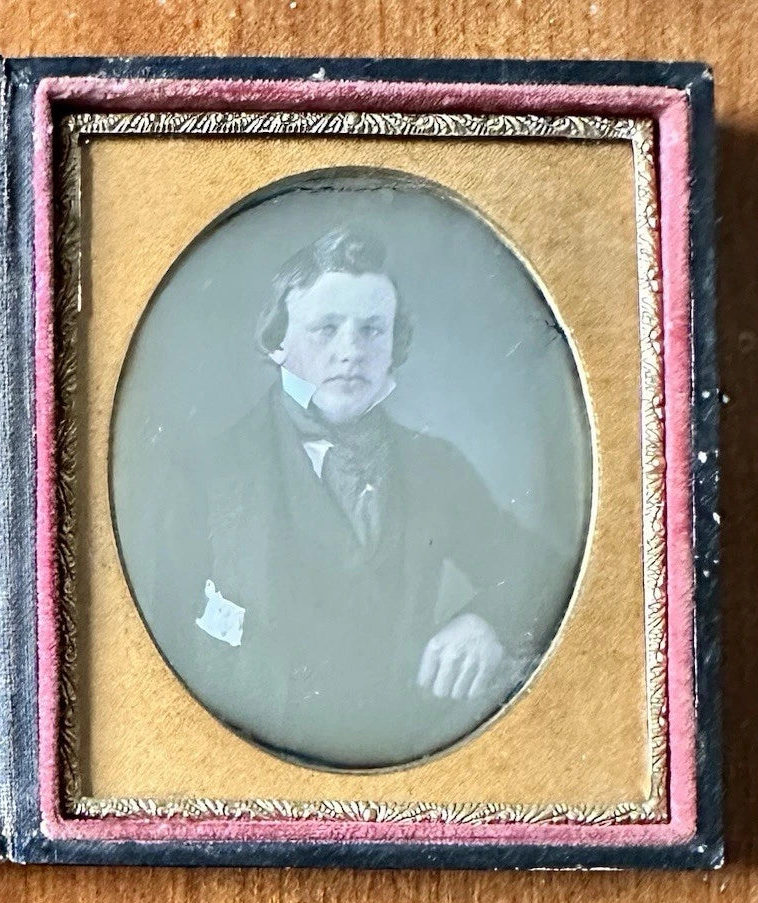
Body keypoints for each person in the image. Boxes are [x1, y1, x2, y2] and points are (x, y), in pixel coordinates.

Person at [150, 225, 578, 770]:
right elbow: (163, 655)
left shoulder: (435, 466)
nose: (351, 352)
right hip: (249, 764)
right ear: (278, 342)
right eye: (326, 329)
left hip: (402, 759)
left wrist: (488, 620)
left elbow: (541, 571)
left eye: (373, 330)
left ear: (395, 347)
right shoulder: (207, 473)